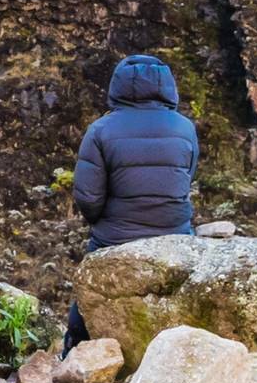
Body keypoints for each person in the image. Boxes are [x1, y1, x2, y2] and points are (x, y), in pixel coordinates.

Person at [71, 53, 199, 254]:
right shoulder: (185, 127)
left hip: (115, 238)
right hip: (175, 234)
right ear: (167, 86)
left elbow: (88, 197)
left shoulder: (100, 129)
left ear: (118, 86)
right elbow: (186, 178)